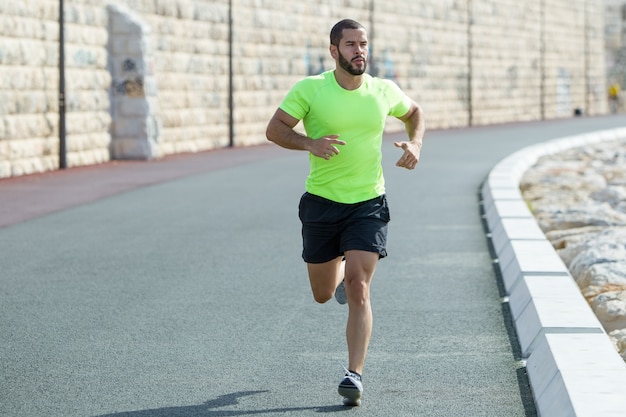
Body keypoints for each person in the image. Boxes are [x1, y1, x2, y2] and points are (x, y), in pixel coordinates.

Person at [265, 18, 425, 406]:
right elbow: (275, 130)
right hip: (321, 203)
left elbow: (415, 112)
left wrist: (417, 144)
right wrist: (310, 143)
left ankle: (354, 374)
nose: (359, 51)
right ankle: (334, 276)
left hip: (368, 203)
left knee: (359, 285)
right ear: (334, 51)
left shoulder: (382, 91)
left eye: (363, 44)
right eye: (350, 45)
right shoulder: (311, 89)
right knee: (323, 294)